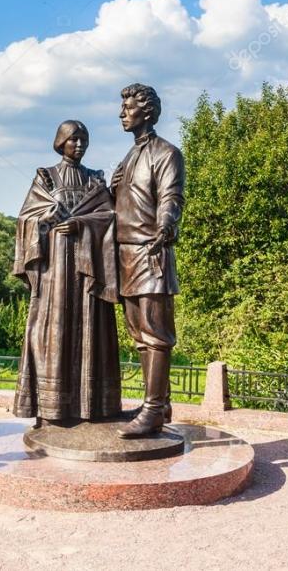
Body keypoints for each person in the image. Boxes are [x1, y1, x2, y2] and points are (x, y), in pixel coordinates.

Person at [13, 120, 122, 423]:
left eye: (84, 140)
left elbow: (109, 216)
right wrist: (47, 217)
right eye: (74, 139)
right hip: (54, 271)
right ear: (61, 142)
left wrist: (80, 224)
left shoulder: (94, 180)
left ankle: (93, 405)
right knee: (52, 329)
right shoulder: (46, 178)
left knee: (91, 328)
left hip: (88, 270)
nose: (79, 145)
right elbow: (25, 219)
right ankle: (52, 408)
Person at [111, 83, 186, 439]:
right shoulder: (127, 158)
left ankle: (153, 409)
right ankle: (158, 404)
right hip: (126, 254)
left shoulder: (166, 153)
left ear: (147, 111)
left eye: (128, 107)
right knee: (140, 335)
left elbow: (172, 197)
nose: (122, 113)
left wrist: (165, 225)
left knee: (156, 335)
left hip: (151, 251)